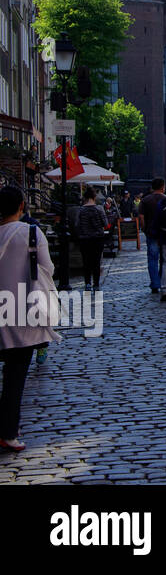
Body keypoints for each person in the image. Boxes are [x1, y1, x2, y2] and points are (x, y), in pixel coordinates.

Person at [0, 187, 58, 452]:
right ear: (22, 206)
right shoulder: (32, 233)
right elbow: (48, 268)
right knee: (15, 376)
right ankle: (8, 431)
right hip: (19, 311)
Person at [74, 188, 108, 291]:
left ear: (84, 198)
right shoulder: (99, 209)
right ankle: (96, 284)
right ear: (94, 197)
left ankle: (87, 283)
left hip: (85, 239)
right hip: (97, 238)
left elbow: (77, 225)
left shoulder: (80, 210)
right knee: (96, 261)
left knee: (86, 261)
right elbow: (105, 223)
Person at [138, 178, 166, 293]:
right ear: (163, 187)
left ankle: (155, 283)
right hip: (164, 233)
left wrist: (144, 228)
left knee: (152, 259)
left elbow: (141, 217)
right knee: (164, 260)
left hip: (151, 233)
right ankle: (160, 280)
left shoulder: (145, 200)